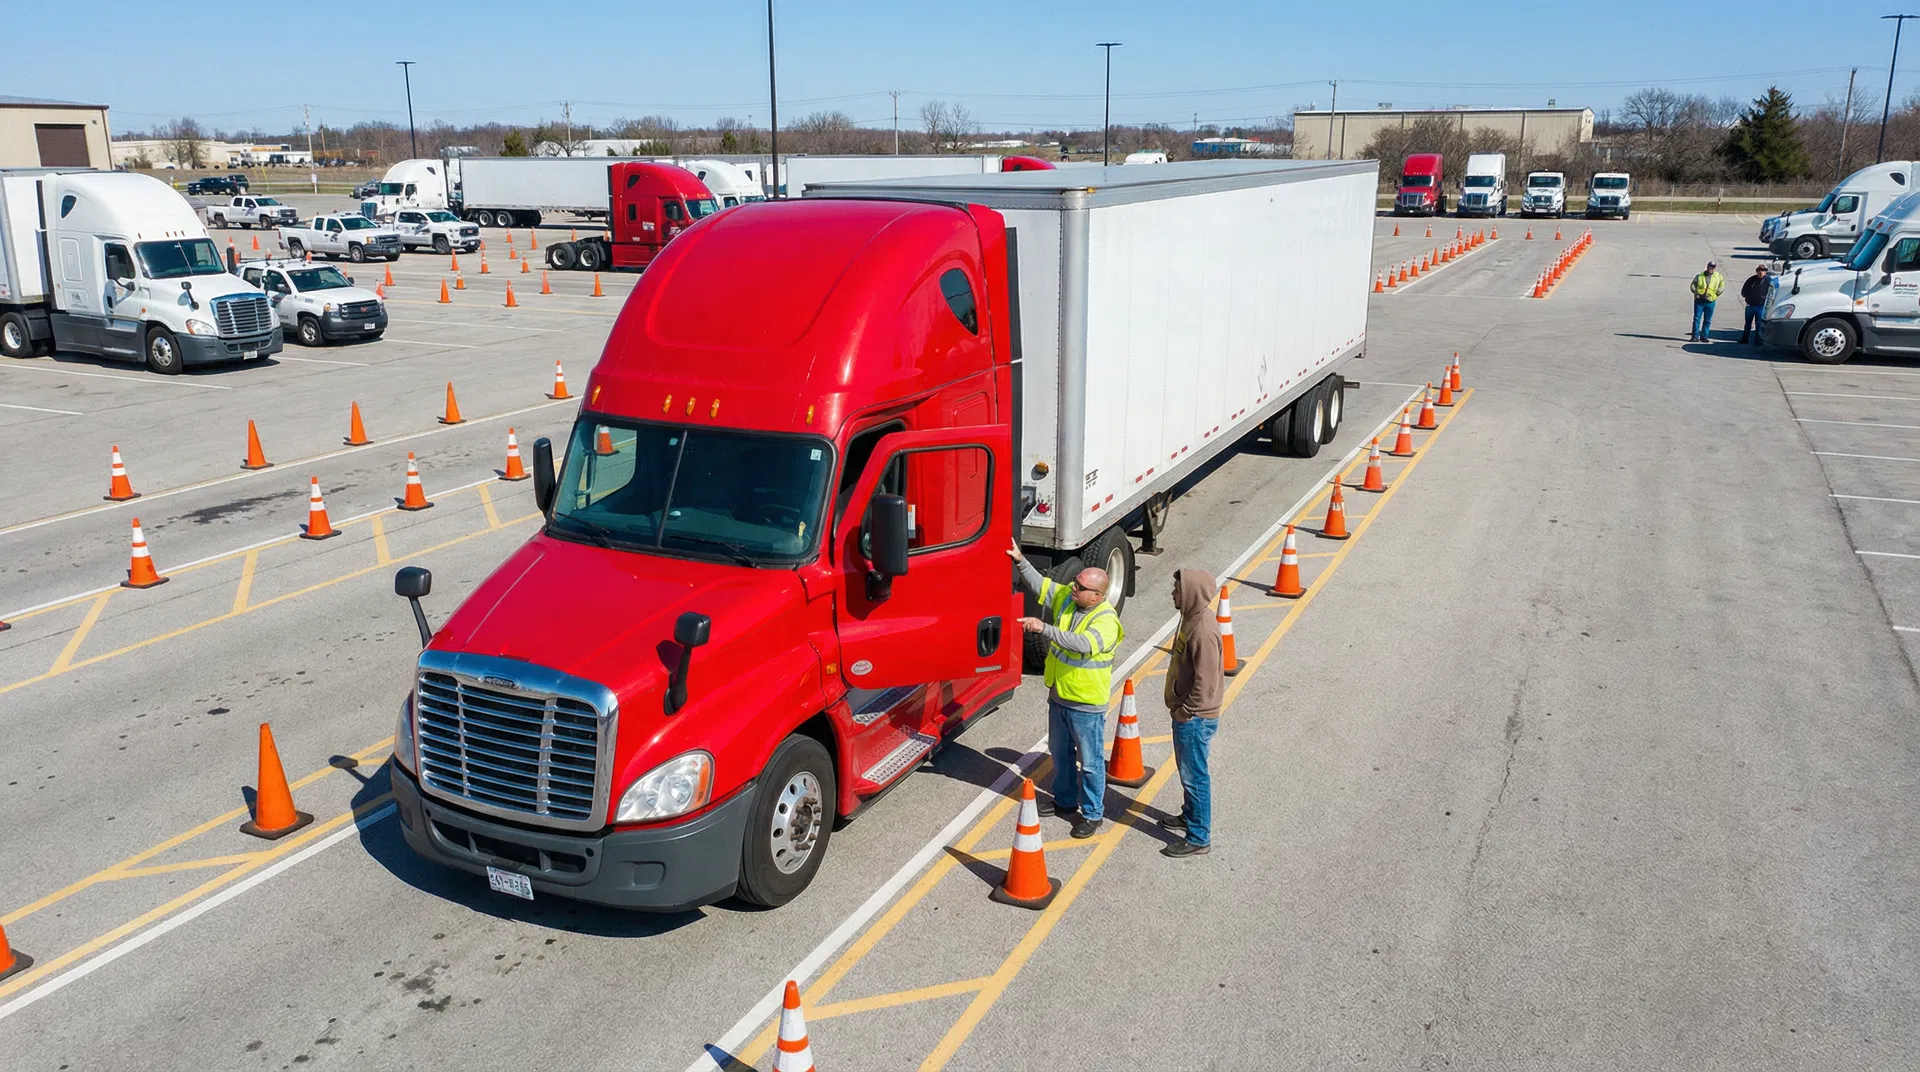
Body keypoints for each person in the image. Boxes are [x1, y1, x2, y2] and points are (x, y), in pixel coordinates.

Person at [1009, 542, 1125, 839]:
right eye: (1075, 581)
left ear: (1097, 596)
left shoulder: (1106, 620)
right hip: (1060, 695)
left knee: (1090, 762)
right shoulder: (1070, 599)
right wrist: (1021, 561)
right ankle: (1064, 800)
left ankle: (1092, 813)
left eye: (1081, 585)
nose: (1073, 586)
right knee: (1059, 753)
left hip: (1086, 704)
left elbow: (1082, 644)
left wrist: (1043, 628)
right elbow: (1043, 587)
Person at [1159, 569, 1223, 858]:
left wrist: (1186, 712)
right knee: (1189, 773)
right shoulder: (1190, 618)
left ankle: (1198, 836)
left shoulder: (1203, 631)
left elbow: (1206, 682)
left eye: (1177, 590)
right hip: (1187, 714)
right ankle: (1189, 816)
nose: (1173, 593)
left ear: (1191, 593)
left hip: (1195, 718)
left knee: (1195, 776)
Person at [1690, 259, 1725, 342]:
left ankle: (1704, 336)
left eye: (1713, 267)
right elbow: (1692, 285)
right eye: (1710, 266)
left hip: (1710, 301)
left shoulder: (1718, 276)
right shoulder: (1700, 276)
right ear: (1707, 266)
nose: (1711, 268)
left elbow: (1721, 286)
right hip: (1699, 301)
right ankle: (1695, 336)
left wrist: (1716, 294)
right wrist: (1696, 293)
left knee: (1707, 320)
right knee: (1696, 319)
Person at [1738, 264, 1771, 344]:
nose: (1761, 272)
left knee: (1759, 324)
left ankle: (1758, 340)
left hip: (1761, 306)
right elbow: (1744, 292)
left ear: (1765, 272)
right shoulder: (1751, 280)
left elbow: (1772, 292)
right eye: (1759, 270)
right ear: (1756, 271)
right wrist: (1748, 299)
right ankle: (1745, 339)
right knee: (1747, 324)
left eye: (1763, 271)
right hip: (1750, 306)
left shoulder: (1769, 281)